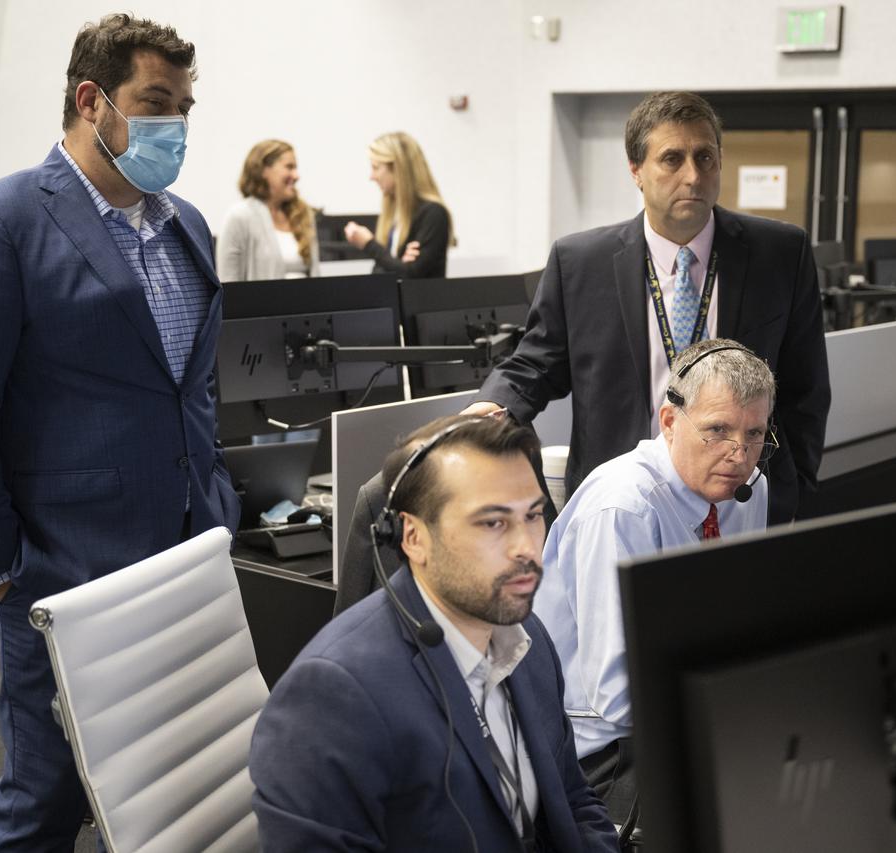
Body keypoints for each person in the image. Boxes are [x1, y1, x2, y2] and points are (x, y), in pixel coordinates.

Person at [0, 14, 240, 850]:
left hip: (188, 556)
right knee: (46, 802)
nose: (176, 126)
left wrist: (218, 503)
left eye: (186, 106)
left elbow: (188, 390)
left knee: (184, 787)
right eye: (156, 102)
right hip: (64, 570)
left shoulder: (186, 225)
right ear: (92, 101)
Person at [250, 414, 618, 852]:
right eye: (493, 522)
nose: (526, 547)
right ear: (412, 537)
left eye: (533, 515)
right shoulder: (331, 695)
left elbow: (574, 800)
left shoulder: (526, 636)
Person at [465, 91, 829, 524]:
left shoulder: (781, 253)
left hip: (742, 497)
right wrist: (494, 405)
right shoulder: (580, 263)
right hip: (621, 503)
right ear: (636, 169)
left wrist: (796, 488)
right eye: (672, 159)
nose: (693, 176)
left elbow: (806, 390)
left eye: (705, 157)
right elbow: (537, 362)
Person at [533, 338, 776, 823]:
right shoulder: (622, 508)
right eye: (717, 431)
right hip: (600, 751)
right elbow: (617, 694)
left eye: (754, 434)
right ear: (669, 422)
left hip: (690, 713)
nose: (739, 454)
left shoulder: (749, 491)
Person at [344, 131, 454, 278]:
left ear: (398, 169)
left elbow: (411, 275)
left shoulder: (433, 213)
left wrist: (369, 244)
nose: (372, 176)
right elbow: (384, 272)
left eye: (376, 168)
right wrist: (399, 264)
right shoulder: (395, 215)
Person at [216, 138, 321, 281]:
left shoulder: (303, 215)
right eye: (289, 167)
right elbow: (228, 283)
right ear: (264, 170)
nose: (296, 176)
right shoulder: (239, 216)